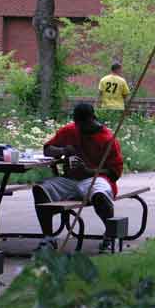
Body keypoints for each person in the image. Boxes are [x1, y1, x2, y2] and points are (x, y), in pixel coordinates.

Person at [33, 103, 123, 252]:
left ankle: (110, 235)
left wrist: (88, 171)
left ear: (92, 119)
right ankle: (48, 238)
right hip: (70, 180)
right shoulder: (70, 130)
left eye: (83, 124)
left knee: (100, 195)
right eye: (77, 123)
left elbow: (115, 172)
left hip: (96, 178)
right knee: (40, 189)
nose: (80, 128)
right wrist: (63, 150)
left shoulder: (107, 139)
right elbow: (47, 149)